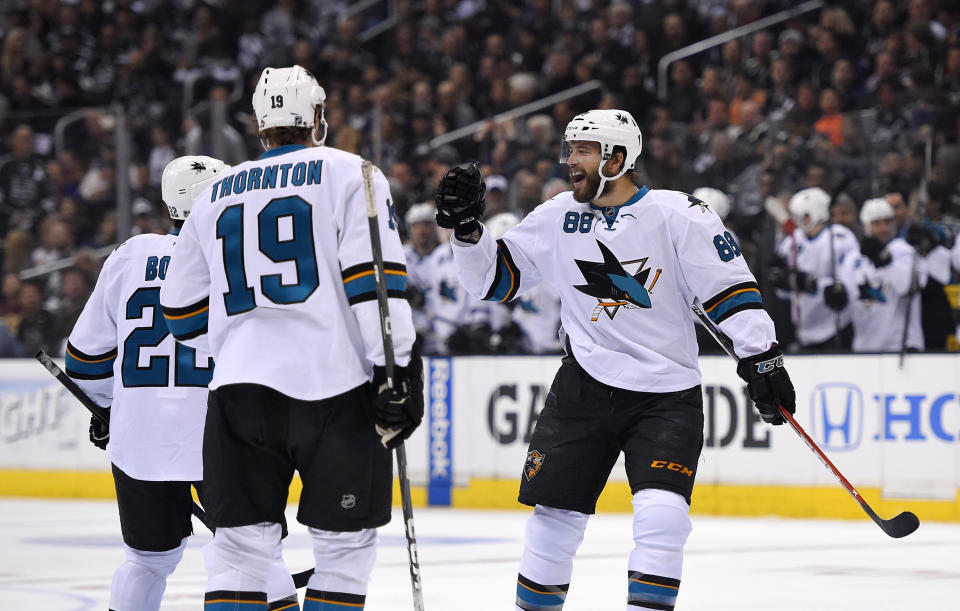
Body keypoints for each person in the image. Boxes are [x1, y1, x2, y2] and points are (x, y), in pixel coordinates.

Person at [435, 109, 796, 611]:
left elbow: (730, 290)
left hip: (667, 393)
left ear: (617, 157)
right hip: (584, 385)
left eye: (582, 150)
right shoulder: (558, 214)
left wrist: (763, 358)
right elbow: (494, 280)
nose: (570, 161)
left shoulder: (679, 213)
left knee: (663, 516)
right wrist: (469, 233)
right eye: (570, 150)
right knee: (553, 519)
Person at [159, 65, 422, 611]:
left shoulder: (214, 195)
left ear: (259, 124)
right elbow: (376, 288)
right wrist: (396, 372)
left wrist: (235, 346)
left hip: (237, 396)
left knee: (238, 554)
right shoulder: (354, 173)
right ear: (319, 118)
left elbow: (179, 314)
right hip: (333, 389)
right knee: (344, 553)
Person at [64, 155, 299, 611]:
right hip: (224, 438)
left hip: (140, 443)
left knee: (146, 561)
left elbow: (84, 363)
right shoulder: (241, 258)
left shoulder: (129, 256)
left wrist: (113, 411)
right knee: (256, 552)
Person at [770, 187, 858, 351]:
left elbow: (846, 288)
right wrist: (784, 281)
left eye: (799, 216)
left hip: (836, 328)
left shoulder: (841, 237)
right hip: (803, 330)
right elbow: (782, 290)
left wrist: (812, 284)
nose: (796, 220)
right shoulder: (792, 242)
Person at [836, 198, 926, 353]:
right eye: (877, 224)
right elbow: (845, 305)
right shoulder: (852, 259)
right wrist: (835, 297)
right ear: (866, 226)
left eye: (887, 222)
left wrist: (884, 261)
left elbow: (907, 286)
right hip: (864, 347)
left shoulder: (905, 251)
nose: (884, 228)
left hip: (901, 346)